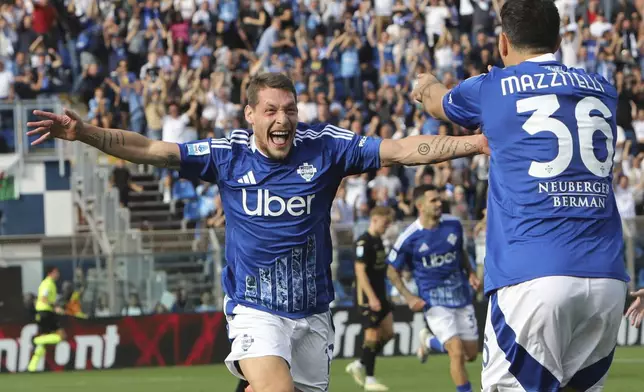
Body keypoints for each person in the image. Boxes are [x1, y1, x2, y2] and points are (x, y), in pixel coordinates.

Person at [27, 72, 488, 392]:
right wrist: (85, 133)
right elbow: (151, 148)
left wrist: (475, 142)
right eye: (270, 110)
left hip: (312, 312)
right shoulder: (227, 155)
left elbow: (402, 149)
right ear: (249, 114)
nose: (282, 120)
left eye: (289, 109)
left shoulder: (325, 147)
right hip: (254, 308)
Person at [410, 0, 629, 390]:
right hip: (607, 278)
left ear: (503, 43)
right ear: (559, 39)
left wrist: (424, 82)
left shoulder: (492, 88)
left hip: (532, 276)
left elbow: (436, 103)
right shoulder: (603, 89)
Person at [387, 185, 480, 392]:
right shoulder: (409, 237)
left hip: (461, 296)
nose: (439, 204)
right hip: (434, 300)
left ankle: (429, 341)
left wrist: (471, 273)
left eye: (439, 200)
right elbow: (392, 271)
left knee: (470, 354)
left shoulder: (454, 224)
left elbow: (461, 252)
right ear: (420, 205)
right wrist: (409, 297)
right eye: (433, 201)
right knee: (455, 352)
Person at [345, 206, 395, 392]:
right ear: (375, 219)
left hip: (381, 294)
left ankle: (359, 363)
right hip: (368, 297)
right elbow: (360, 272)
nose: (387, 226)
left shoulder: (378, 241)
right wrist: (372, 298)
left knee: (389, 333)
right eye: (385, 222)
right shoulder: (363, 243)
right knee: (372, 336)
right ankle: (370, 380)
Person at [28, 266, 66, 372]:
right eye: (56, 272)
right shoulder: (47, 284)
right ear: (50, 273)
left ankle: (32, 366)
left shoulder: (50, 283)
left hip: (46, 312)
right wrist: (55, 307)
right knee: (61, 336)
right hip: (45, 312)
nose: (58, 274)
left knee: (44, 341)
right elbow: (44, 299)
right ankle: (35, 340)